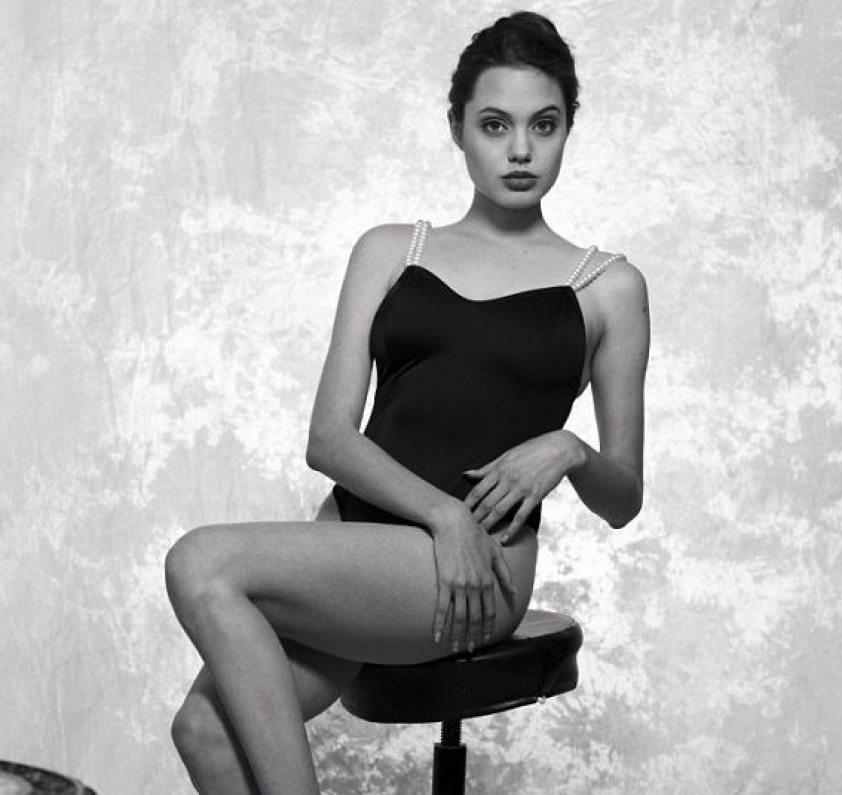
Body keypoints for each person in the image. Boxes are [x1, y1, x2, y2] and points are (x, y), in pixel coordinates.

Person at [164, 11, 649, 794]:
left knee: (200, 560)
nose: (520, 150)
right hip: (365, 536)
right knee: (202, 729)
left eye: (544, 125)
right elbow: (329, 438)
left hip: (477, 566)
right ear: (458, 129)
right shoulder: (392, 249)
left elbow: (623, 497)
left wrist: (570, 449)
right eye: (494, 125)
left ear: (568, 128)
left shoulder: (608, 285)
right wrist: (442, 513)